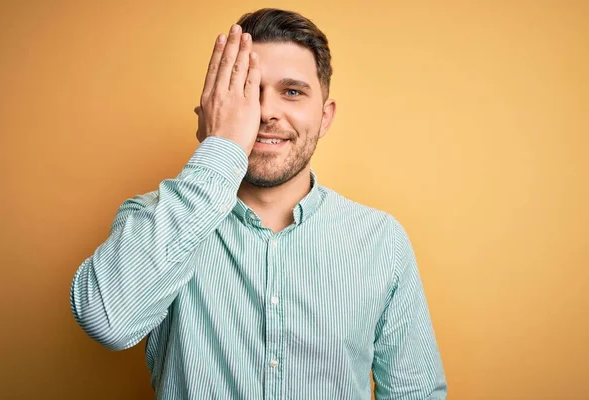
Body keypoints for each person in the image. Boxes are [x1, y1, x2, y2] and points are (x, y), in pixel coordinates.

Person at [70, 7, 447, 399]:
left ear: (324, 117)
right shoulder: (153, 218)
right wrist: (222, 147)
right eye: (247, 92)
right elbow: (106, 320)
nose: (266, 112)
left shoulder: (381, 240)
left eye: (293, 92)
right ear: (211, 111)